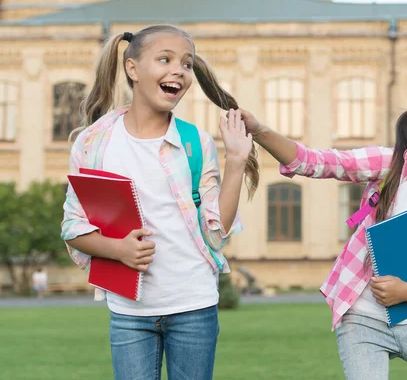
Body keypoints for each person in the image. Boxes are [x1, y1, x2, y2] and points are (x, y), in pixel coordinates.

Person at [240, 92, 407, 379]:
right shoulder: (390, 165)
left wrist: (406, 291)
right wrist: (260, 131)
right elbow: (318, 162)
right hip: (362, 319)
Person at [61, 24, 259, 380]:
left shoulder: (195, 142)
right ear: (132, 69)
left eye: (186, 64)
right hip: (128, 313)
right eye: (164, 59)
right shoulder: (93, 144)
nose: (178, 71)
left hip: (194, 307)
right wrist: (117, 249)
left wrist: (237, 161)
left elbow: (217, 234)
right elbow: (73, 228)